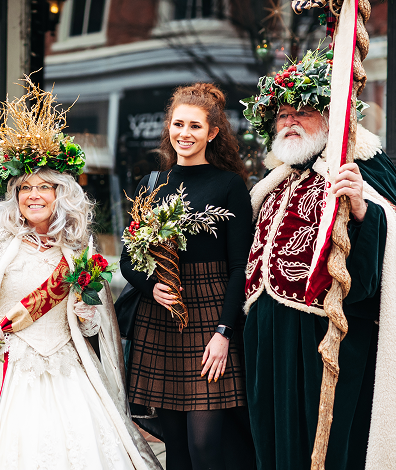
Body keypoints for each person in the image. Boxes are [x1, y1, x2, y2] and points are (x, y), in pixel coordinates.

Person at [0, 80, 161, 470]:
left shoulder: (79, 250)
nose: (35, 195)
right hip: (2, 367)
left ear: (61, 193)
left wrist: (85, 312)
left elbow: (94, 326)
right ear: (15, 194)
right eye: (26, 187)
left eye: (45, 186)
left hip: (66, 369)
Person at [241, 51, 396, 469]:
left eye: (304, 111)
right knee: (275, 445)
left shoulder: (361, 171)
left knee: (327, 450)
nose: (291, 121)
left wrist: (364, 210)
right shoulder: (274, 183)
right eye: (282, 114)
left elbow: (383, 263)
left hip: (323, 341)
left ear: (331, 118)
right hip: (269, 343)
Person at [120, 83, 255, 470]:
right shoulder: (151, 184)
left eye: (195, 126)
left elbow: (239, 268)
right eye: (178, 124)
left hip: (212, 316)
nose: (185, 133)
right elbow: (130, 260)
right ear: (168, 127)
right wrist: (152, 286)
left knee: (205, 446)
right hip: (160, 318)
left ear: (212, 133)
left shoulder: (229, 185)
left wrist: (224, 332)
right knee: (176, 447)